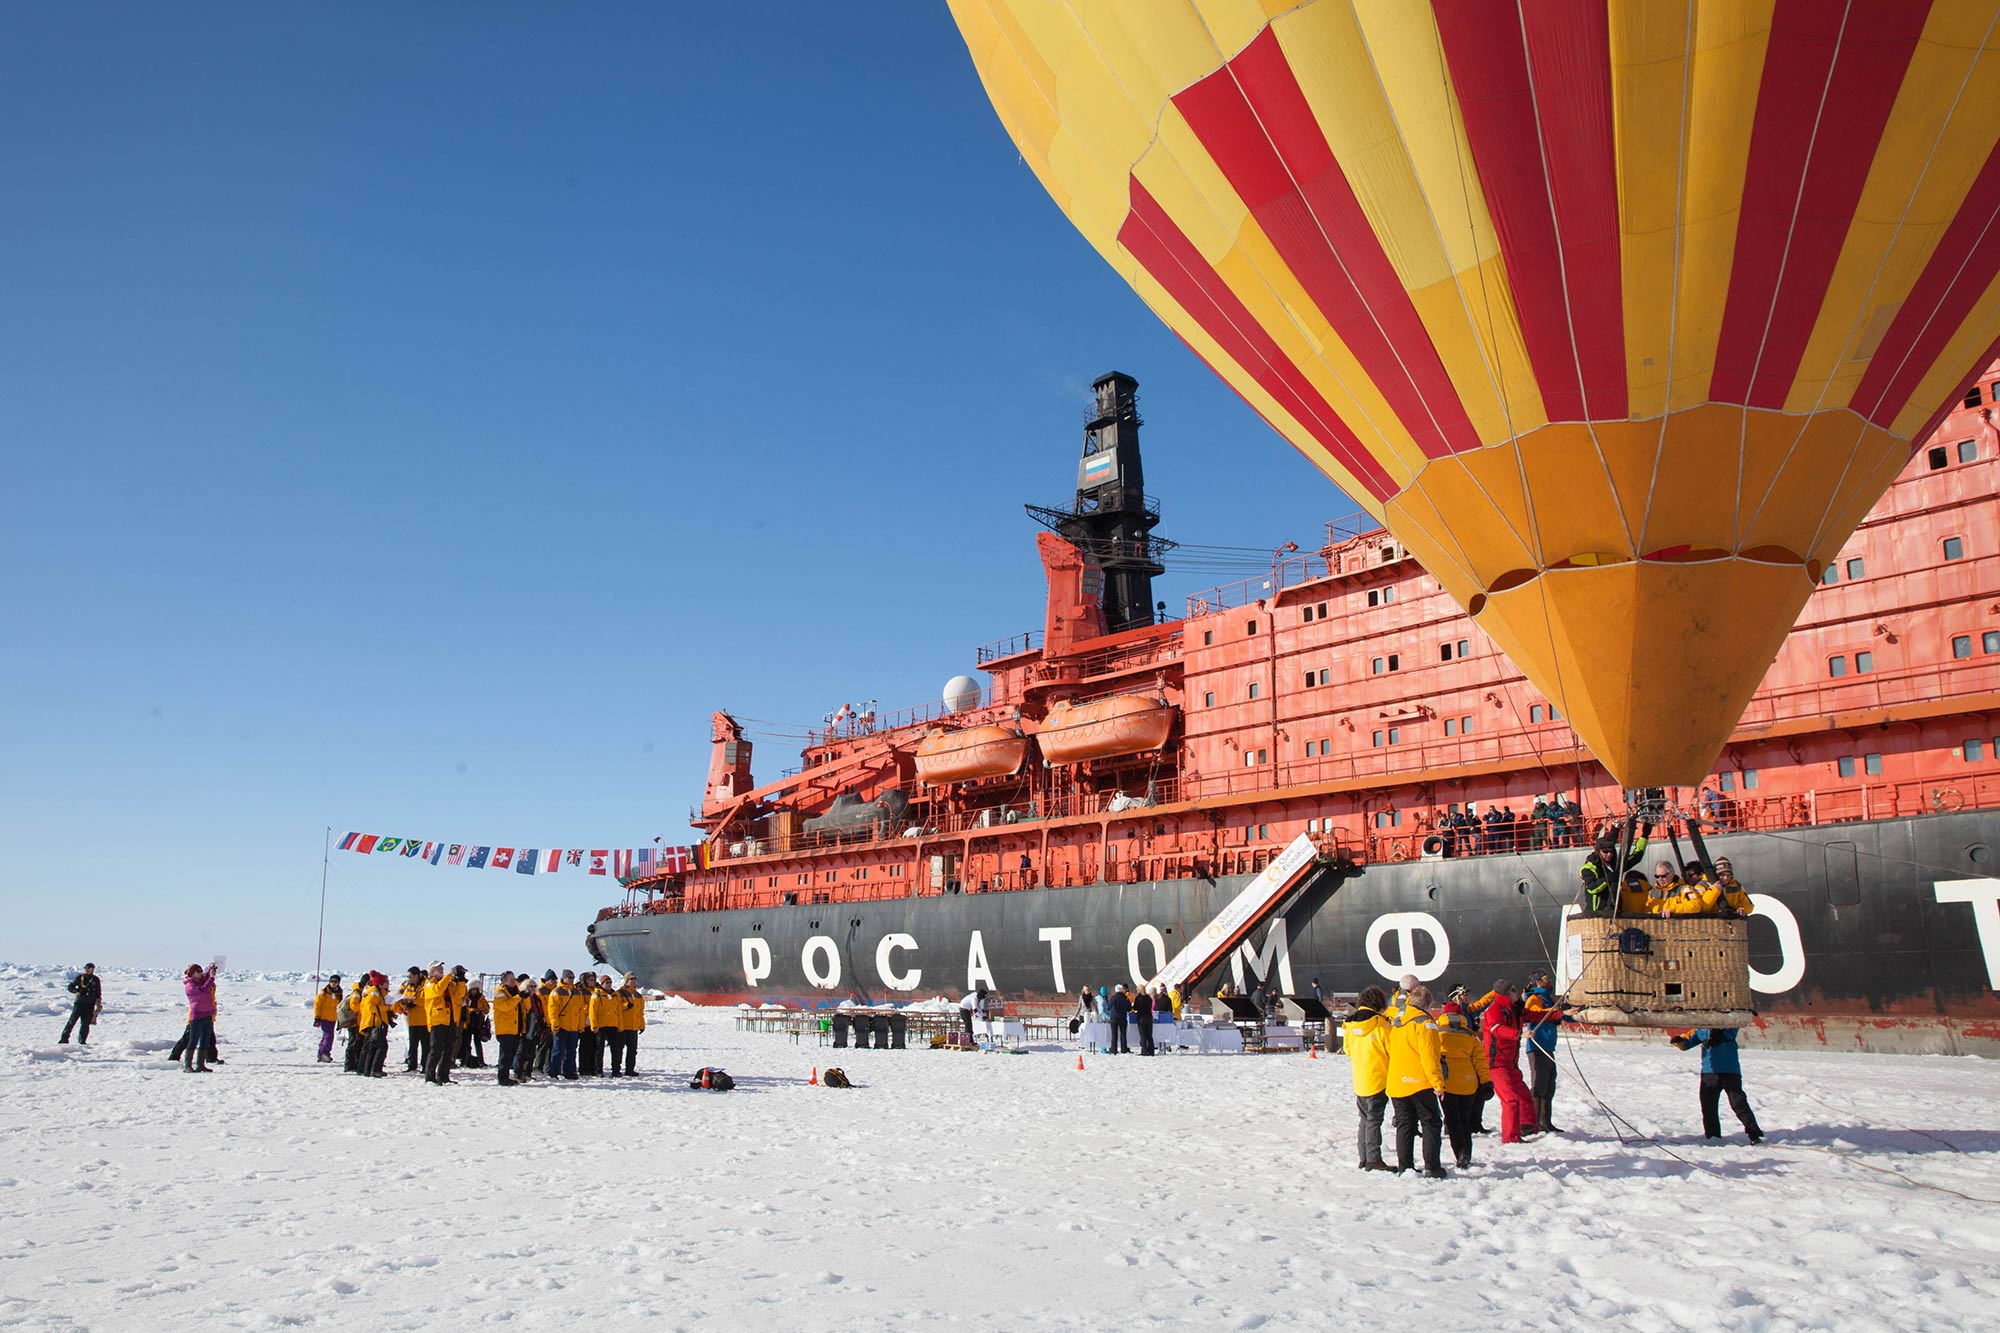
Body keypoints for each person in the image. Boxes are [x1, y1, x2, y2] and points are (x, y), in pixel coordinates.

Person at [1385, 984, 1446, 1178]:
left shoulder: (1397, 1022)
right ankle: (1432, 1167)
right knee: (1431, 1123)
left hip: (1396, 1082)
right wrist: (1438, 1083)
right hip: (1419, 1082)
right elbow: (1430, 1056)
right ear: (1428, 1004)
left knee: (1405, 1125)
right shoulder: (1424, 1023)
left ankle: (1405, 1166)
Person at [1671, 1028, 1765, 1143]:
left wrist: (1721, 1032)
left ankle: (1754, 1133)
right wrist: (1680, 1042)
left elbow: (1734, 1028)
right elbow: (1688, 1042)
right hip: (1709, 1072)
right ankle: (1713, 1136)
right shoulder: (1701, 1028)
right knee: (1708, 1106)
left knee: (1738, 1103)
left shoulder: (1729, 1025)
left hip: (1729, 1070)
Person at [1435, 1002, 1491, 1170]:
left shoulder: (1437, 1034)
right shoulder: (1471, 1035)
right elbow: (1480, 1061)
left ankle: (1459, 1153)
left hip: (1447, 1082)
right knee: (1465, 1120)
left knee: (1452, 1121)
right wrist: (1486, 1081)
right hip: (1469, 1082)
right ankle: (1467, 1152)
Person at [1343, 986, 1393, 1171]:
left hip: (1360, 1078)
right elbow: (1392, 1050)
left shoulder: (1350, 1024)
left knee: (1364, 1119)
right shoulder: (1381, 1024)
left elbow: (1348, 1050)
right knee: (1374, 1120)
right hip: (1379, 1077)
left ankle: (1363, 1157)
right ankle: (1373, 1158)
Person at [1480, 981, 1535, 1143]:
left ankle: (1528, 1126)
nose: (1516, 992)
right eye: (1513, 990)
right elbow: (1496, 1029)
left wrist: (1560, 1014)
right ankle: (1511, 1138)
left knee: (1524, 1095)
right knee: (1510, 1100)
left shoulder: (1515, 1009)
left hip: (1511, 1063)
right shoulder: (1494, 1010)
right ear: (1505, 993)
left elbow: (1534, 1015)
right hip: (1496, 1063)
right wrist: (1518, 1034)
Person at [1522, 970, 1568, 1132]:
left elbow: (1559, 1015)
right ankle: (1534, 1122)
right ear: (1538, 982)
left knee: (1549, 1084)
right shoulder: (1535, 998)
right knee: (1539, 1085)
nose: (1549, 981)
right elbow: (1534, 1015)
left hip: (1548, 1047)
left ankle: (1546, 1121)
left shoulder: (1549, 998)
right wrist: (1557, 1013)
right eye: (1545, 978)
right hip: (1537, 1047)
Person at [421, 962, 459, 1085]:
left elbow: (459, 993)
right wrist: (448, 977)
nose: (442, 970)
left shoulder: (446, 983)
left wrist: (459, 980)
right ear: (431, 972)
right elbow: (436, 991)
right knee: (435, 1050)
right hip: (437, 1020)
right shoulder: (429, 984)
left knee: (448, 1050)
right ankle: (429, 1076)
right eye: (438, 969)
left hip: (449, 1019)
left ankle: (443, 1075)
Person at [181, 963, 218, 1074]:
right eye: (198, 972)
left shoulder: (200, 980)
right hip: (197, 1016)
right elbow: (203, 990)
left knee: (205, 1041)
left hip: (207, 1014)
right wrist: (211, 978)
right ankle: (187, 1065)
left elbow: (206, 977)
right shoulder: (190, 985)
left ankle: (200, 1065)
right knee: (193, 1040)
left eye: (201, 971)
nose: (201, 973)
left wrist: (211, 969)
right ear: (192, 974)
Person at [492, 972, 526, 1086]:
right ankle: (502, 1078)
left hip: (515, 1028)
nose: (513, 981)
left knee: (511, 1053)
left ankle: (506, 1076)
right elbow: (505, 1006)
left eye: (514, 979)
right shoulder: (500, 992)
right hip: (505, 1028)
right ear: (504, 980)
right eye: (511, 979)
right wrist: (518, 997)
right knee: (505, 1055)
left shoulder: (516, 991)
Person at [357, 971, 392, 1078]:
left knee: (371, 1047)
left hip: (374, 1022)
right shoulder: (374, 993)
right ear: (380, 983)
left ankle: (366, 1069)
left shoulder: (376, 991)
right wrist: (386, 1008)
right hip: (375, 1023)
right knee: (381, 1046)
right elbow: (371, 1006)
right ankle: (375, 1069)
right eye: (386, 982)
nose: (388, 984)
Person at [60, 963, 103, 1045]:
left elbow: (98, 993)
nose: (88, 970)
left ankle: (82, 1041)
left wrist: (98, 1003)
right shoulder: (80, 978)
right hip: (79, 1003)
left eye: (90, 968)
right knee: (72, 1021)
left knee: (85, 1024)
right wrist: (76, 991)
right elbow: (70, 986)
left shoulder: (96, 979)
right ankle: (64, 1040)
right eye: (86, 968)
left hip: (90, 1004)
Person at [396, 966, 429, 1073]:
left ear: (417, 975)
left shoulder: (426, 985)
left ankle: (425, 1066)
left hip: (424, 1020)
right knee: (412, 1045)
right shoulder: (408, 987)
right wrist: (404, 1003)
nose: (409, 979)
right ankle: (411, 1065)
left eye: (411, 976)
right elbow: (403, 998)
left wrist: (414, 1000)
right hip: (412, 1020)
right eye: (408, 977)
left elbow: (426, 1001)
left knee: (425, 1046)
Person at [551, 970, 582, 1080]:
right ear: (563, 978)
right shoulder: (557, 992)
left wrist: (580, 1025)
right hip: (562, 1025)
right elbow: (553, 1011)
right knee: (557, 1050)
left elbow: (580, 1011)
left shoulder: (576, 992)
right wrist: (555, 1026)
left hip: (573, 1026)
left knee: (571, 1051)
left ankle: (568, 1071)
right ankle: (554, 1072)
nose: (571, 979)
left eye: (573, 977)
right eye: (569, 977)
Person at [617, 974, 644, 1075]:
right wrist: (625, 1006)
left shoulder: (638, 995)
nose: (634, 981)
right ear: (626, 980)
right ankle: (616, 1069)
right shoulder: (619, 993)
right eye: (631, 979)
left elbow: (640, 1012)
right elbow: (615, 1007)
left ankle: (630, 1070)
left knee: (632, 1050)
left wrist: (642, 1025)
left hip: (634, 1027)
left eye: (635, 979)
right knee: (619, 1049)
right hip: (623, 1026)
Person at [311, 974, 342, 1063]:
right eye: (331, 981)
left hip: (333, 1018)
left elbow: (339, 1006)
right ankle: (324, 1053)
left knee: (326, 1036)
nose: (333, 983)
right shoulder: (323, 992)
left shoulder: (339, 993)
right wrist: (317, 1017)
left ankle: (322, 1054)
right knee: (329, 1036)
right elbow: (317, 1005)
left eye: (335, 981)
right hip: (324, 1018)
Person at [459, 981, 489, 1067]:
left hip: (477, 1024)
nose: (474, 991)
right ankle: (465, 1060)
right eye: (472, 990)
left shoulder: (481, 998)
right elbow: (464, 1008)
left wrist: (482, 1010)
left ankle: (481, 1060)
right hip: (468, 1023)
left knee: (477, 1043)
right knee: (466, 1043)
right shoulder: (467, 998)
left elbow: (487, 1008)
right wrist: (471, 1010)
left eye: (475, 990)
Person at [1107, 984, 1131, 1054]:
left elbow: (1108, 1007)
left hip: (1114, 1018)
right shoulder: (1125, 998)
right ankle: (1124, 1049)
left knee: (1114, 1035)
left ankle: (1114, 1050)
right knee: (1123, 1035)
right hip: (1123, 1018)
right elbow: (1129, 1008)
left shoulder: (1113, 998)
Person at [1134, 982, 1156, 1056]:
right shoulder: (1149, 998)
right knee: (1149, 1035)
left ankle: (1144, 1051)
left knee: (1143, 1035)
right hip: (1149, 1017)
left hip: (1141, 1018)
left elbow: (1135, 1008)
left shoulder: (1138, 998)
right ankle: (1151, 1051)